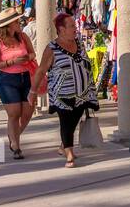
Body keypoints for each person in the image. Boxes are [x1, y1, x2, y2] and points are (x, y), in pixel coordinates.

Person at [31, 12, 100, 167]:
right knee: (66, 121)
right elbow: (41, 70)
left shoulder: (79, 43)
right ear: (61, 29)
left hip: (82, 93)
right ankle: (69, 154)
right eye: (71, 26)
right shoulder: (52, 48)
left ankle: (64, 146)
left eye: (74, 26)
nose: (75, 29)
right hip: (62, 93)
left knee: (75, 118)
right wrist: (33, 92)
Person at [0, 7, 37, 160]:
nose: (19, 23)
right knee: (14, 113)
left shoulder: (22, 37)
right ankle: (16, 145)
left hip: (26, 77)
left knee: (28, 112)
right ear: (8, 25)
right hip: (7, 79)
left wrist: (28, 57)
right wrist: (11, 62)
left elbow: (32, 53)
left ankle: (13, 135)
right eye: (16, 21)